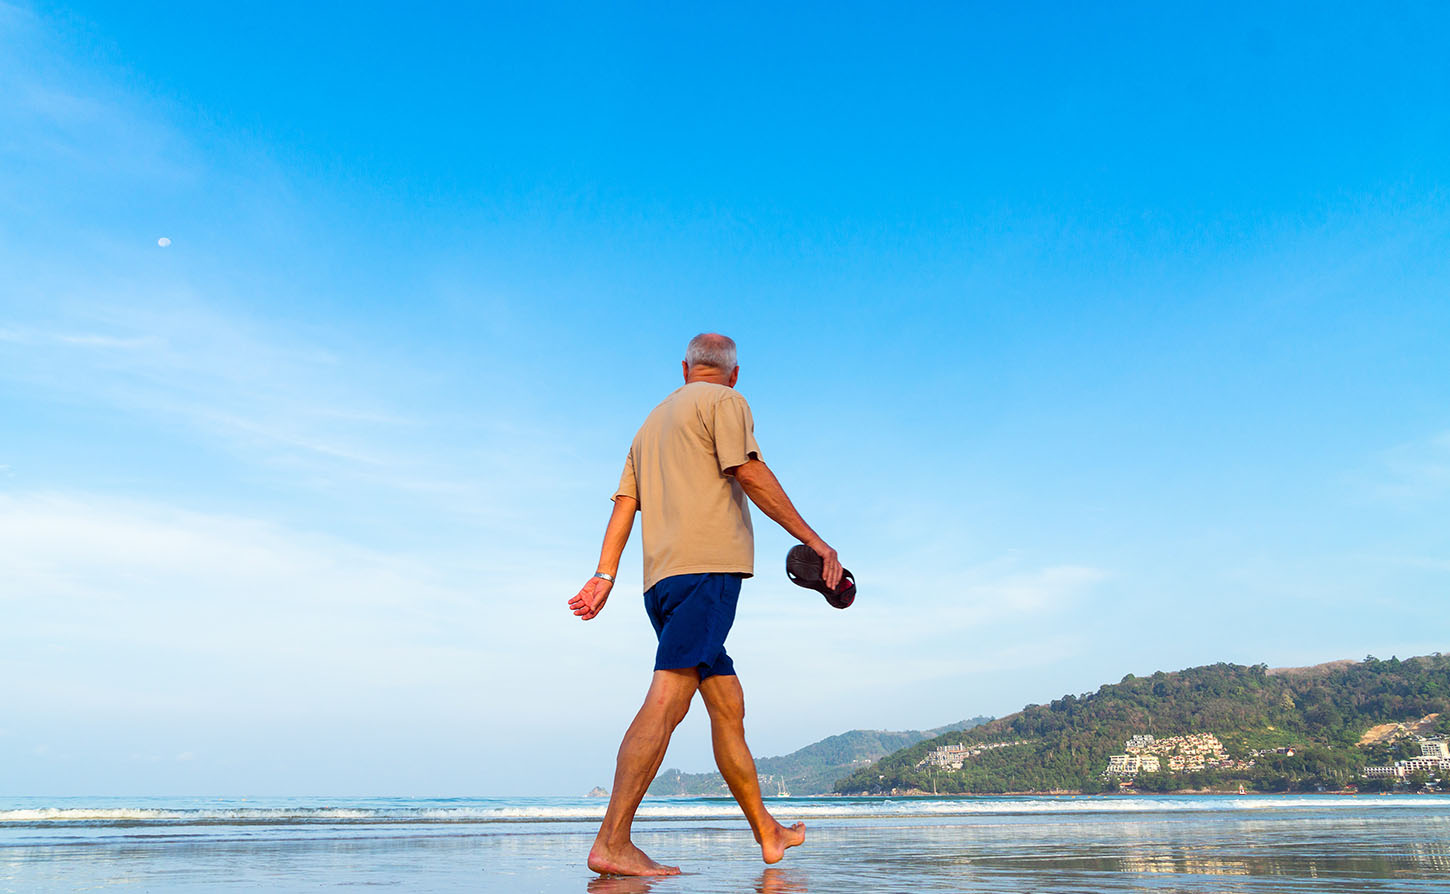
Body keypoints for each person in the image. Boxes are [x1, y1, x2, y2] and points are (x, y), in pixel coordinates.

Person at [568, 332, 845, 877]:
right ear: (733, 373)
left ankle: (767, 831)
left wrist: (604, 575)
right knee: (668, 698)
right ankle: (612, 841)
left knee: (726, 704)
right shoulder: (727, 403)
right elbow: (748, 471)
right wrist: (817, 543)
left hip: (660, 583)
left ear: (685, 368)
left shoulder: (649, 425)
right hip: (707, 572)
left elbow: (626, 506)